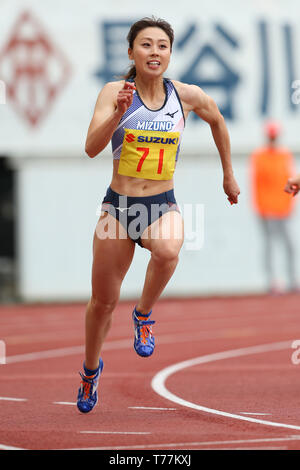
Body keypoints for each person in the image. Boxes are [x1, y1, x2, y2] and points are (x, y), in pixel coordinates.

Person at [76, 16, 240, 413]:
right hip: (118, 206)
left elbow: (217, 121)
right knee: (101, 303)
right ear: (131, 51)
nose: (155, 52)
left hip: (161, 202)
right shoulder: (114, 91)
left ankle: (144, 313)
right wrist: (118, 113)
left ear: (170, 53)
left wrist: (228, 175)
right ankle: (89, 371)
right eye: (146, 45)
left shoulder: (185, 96)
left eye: (162, 46)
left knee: (168, 251)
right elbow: (91, 148)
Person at [249, 120, 298, 294]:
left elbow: (290, 180)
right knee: (270, 245)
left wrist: (291, 204)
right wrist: (260, 207)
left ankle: (293, 279)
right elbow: (257, 184)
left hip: (283, 208)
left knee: (290, 244)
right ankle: (273, 281)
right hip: (268, 209)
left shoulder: (285, 155)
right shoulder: (259, 156)